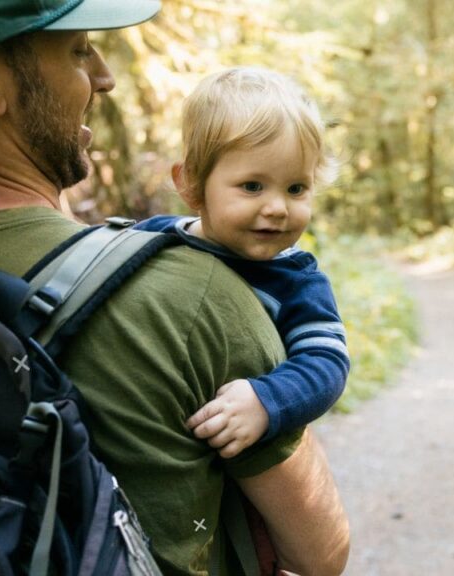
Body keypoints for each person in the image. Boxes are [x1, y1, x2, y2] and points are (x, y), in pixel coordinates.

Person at [0, 1, 350, 575]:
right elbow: (322, 554)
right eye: (80, 50)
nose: (105, 76)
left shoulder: (236, 270)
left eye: (296, 187)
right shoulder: (187, 295)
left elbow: (327, 356)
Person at [135, 67, 349, 459]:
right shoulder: (149, 239)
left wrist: (266, 401)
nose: (277, 208)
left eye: (296, 188)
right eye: (253, 186)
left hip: (233, 461)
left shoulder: (295, 279)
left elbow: (327, 361)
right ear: (191, 183)